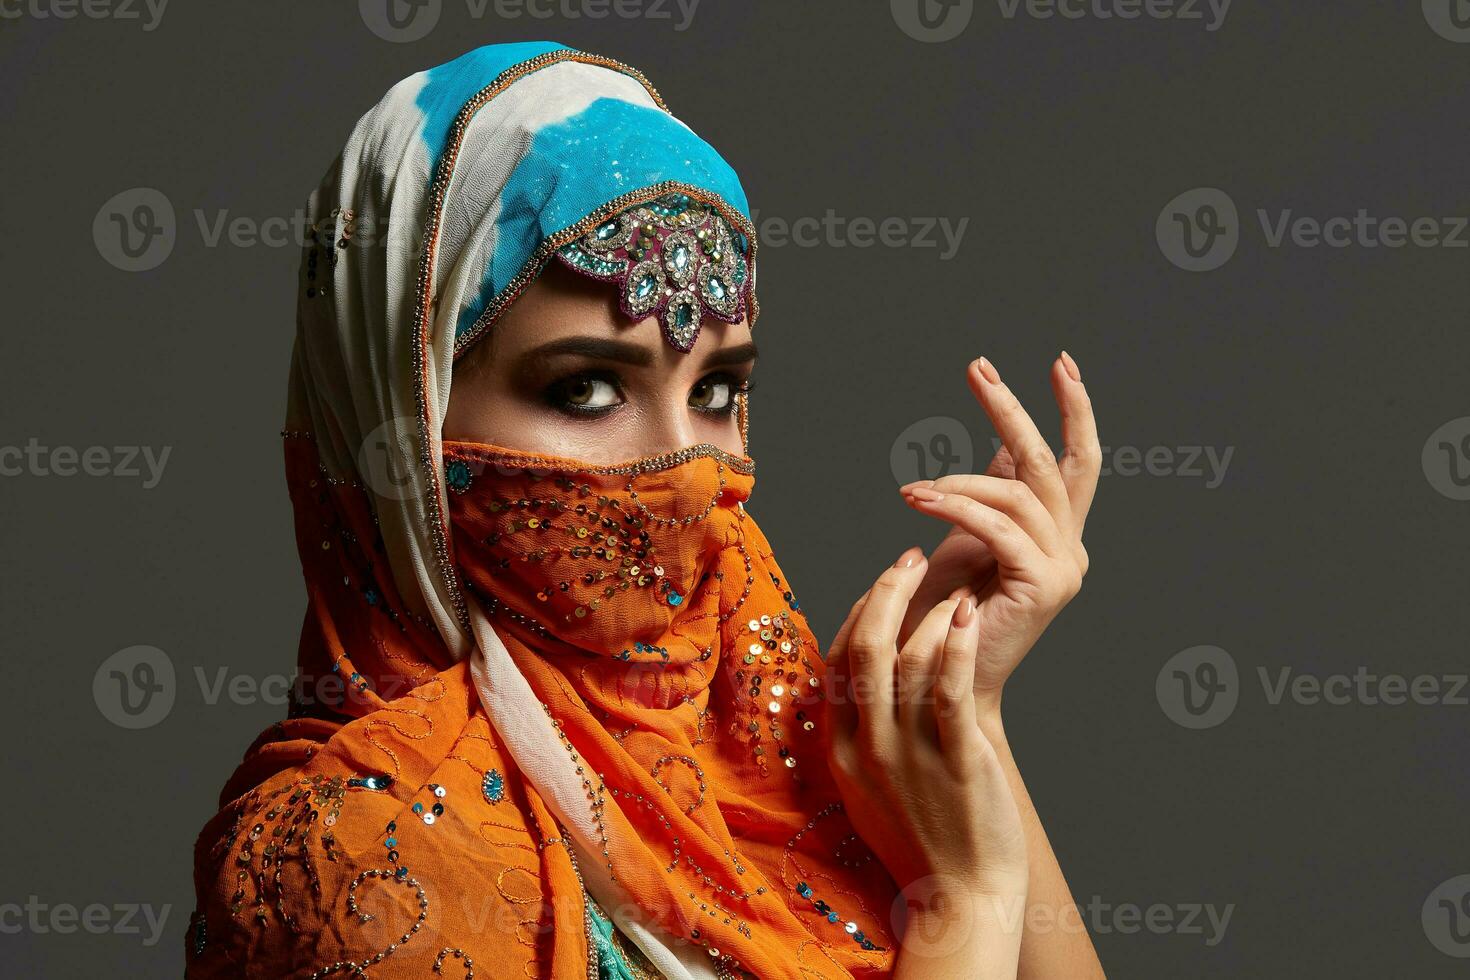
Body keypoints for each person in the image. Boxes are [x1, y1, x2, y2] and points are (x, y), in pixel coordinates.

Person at [187, 41, 1103, 980]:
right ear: (399, 409)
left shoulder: (769, 729)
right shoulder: (357, 857)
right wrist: (964, 905)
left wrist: (958, 703)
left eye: (715, 393)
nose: (690, 472)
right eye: (586, 389)